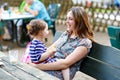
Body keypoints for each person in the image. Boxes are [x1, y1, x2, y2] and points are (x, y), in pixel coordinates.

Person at [29, 6, 94, 80]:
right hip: (48, 65)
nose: (66, 21)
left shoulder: (84, 43)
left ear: (79, 21)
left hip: (59, 74)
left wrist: (37, 67)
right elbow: (51, 48)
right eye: (67, 18)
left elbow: (65, 64)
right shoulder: (66, 34)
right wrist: (36, 59)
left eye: (70, 19)